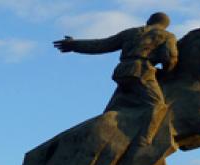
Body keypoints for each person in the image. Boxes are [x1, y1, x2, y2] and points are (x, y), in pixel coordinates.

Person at [54, 12, 178, 144]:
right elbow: (170, 57)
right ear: (165, 25)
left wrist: (74, 45)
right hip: (141, 72)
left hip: (122, 72)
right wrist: (168, 72)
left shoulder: (131, 32)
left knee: (111, 112)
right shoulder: (167, 36)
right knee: (158, 106)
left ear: (149, 21)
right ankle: (145, 138)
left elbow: (102, 45)